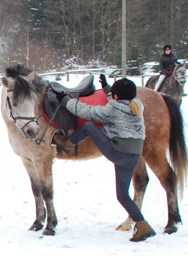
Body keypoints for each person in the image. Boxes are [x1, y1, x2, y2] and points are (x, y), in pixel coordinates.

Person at [52, 77, 156, 242]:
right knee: (122, 195)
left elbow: (85, 111)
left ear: (116, 97)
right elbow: (118, 103)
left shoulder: (110, 111)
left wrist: (66, 101)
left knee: (88, 126)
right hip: (134, 156)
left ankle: (68, 143)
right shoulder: (136, 106)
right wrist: (108, 89)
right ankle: (143, 225)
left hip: (118, 153)